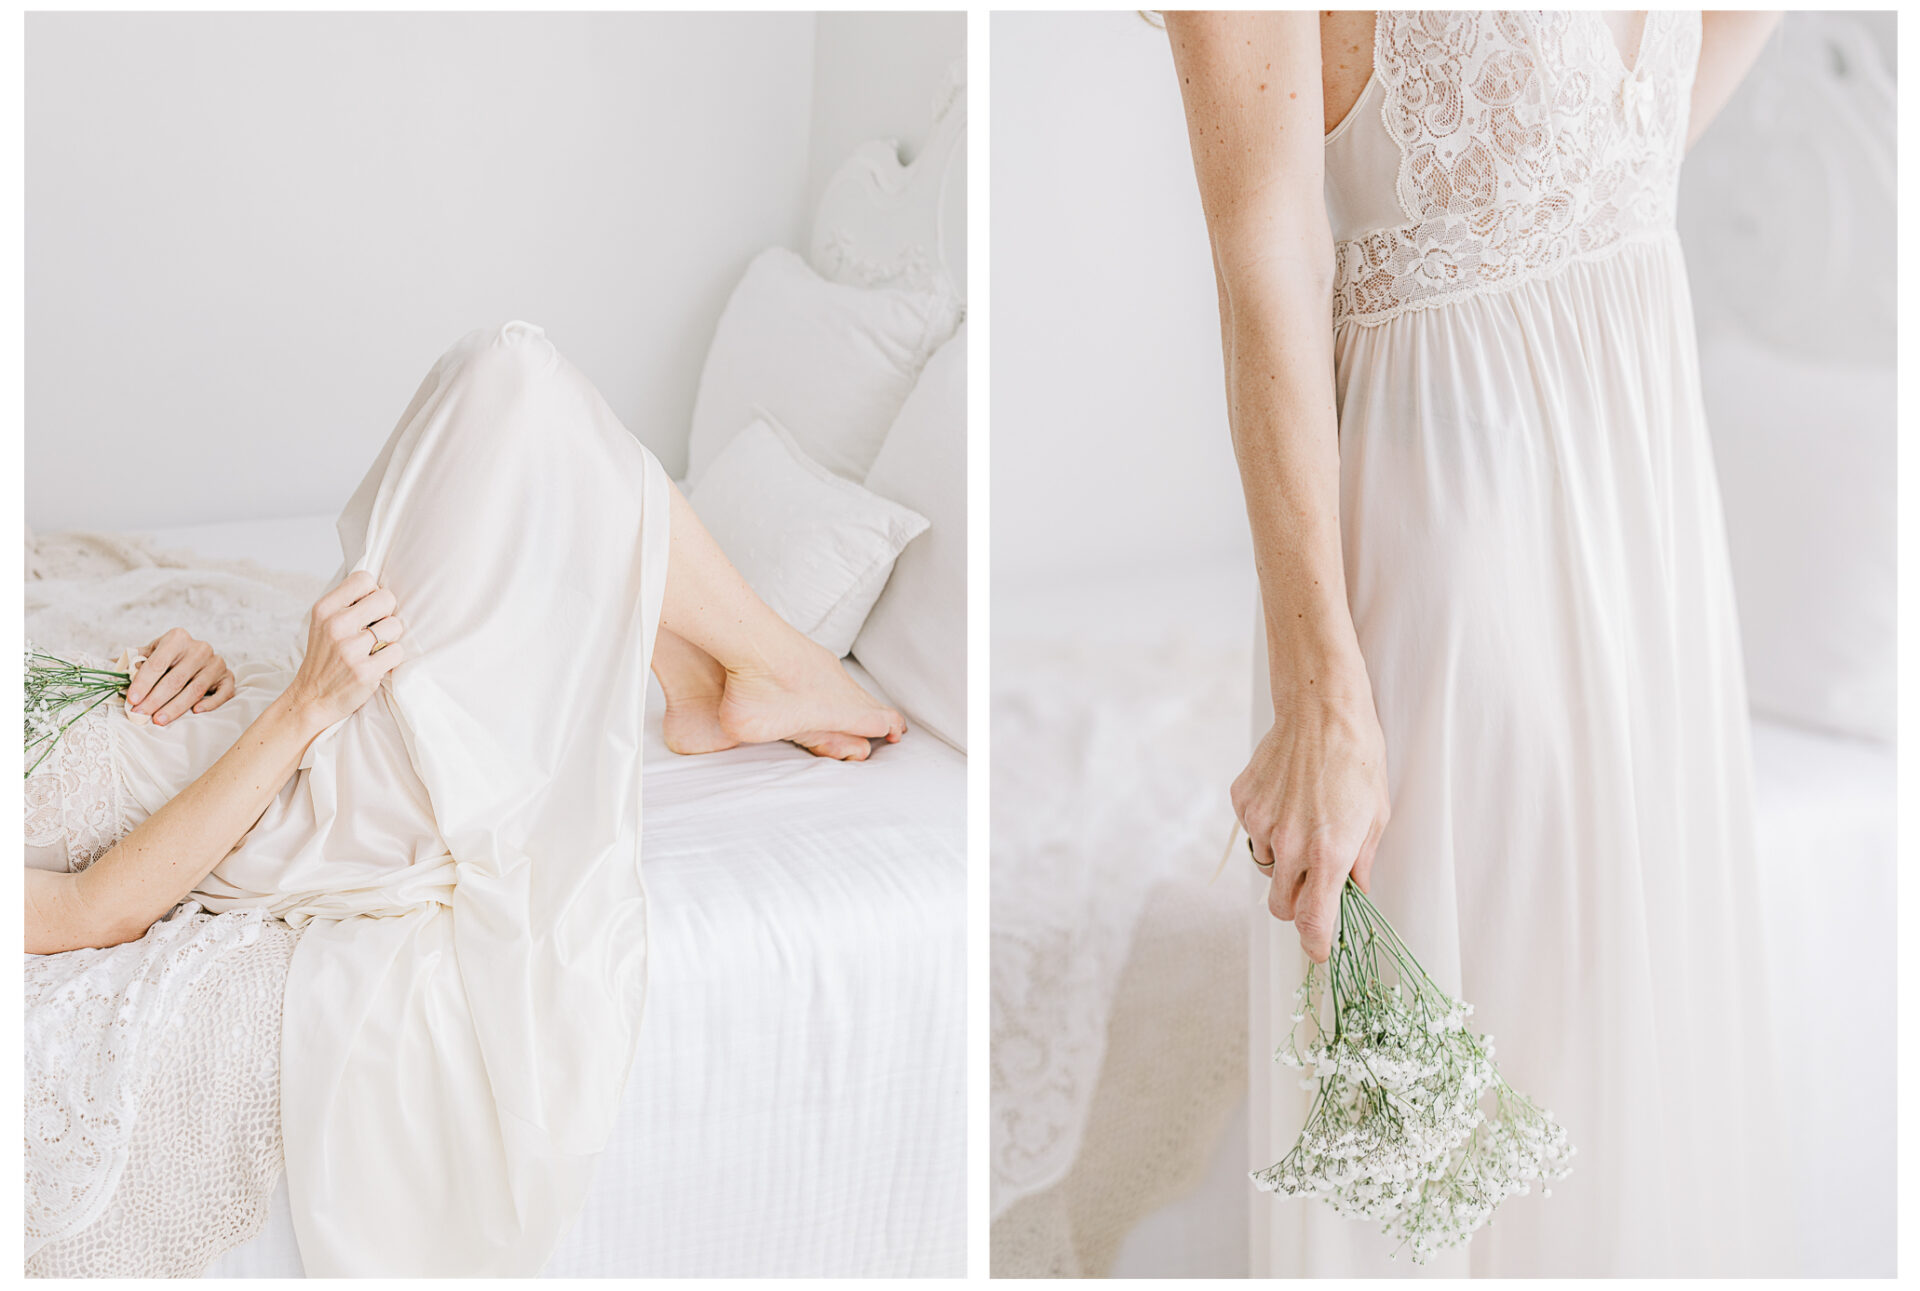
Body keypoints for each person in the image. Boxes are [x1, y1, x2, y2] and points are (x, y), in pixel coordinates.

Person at [23, 321, 906, 1274]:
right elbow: (89, 908)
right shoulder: (298, 728)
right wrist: (306, 703)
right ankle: (770, 668)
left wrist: (166, 668)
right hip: (305, 804)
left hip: (262, 722)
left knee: (494, 382)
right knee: (512, 383)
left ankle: (716, 677)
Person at [1166, 10, 1783, 1276]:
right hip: (1450, 551)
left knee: (1621, 1076)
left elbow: (1624, 149)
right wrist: (1321, 694)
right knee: (1470, 1140)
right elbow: (1262, 252)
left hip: (1650, 538)